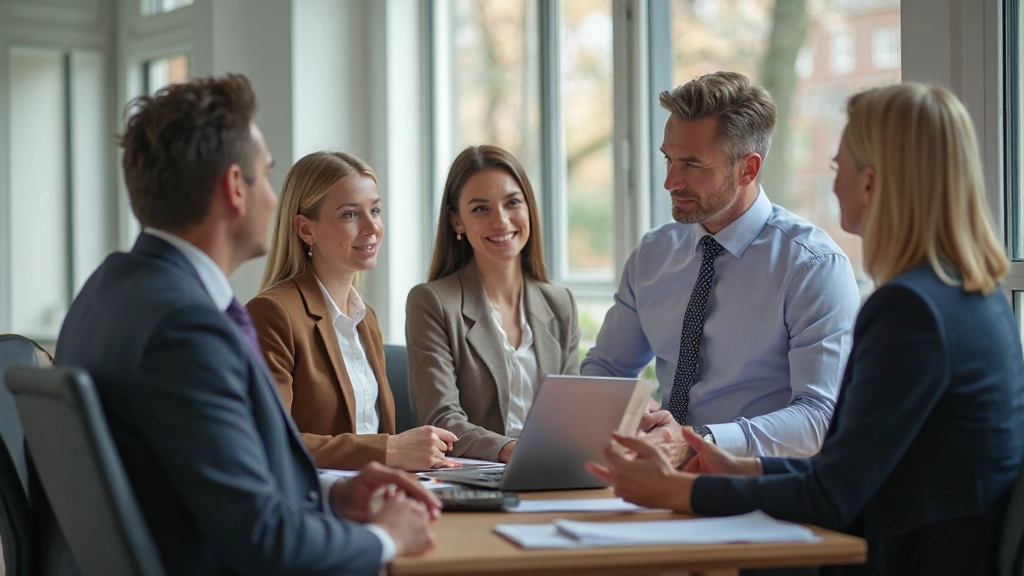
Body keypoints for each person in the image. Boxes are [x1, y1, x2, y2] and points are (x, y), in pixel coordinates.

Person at [589, 83, 1024, 575]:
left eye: (838, 169)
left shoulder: (910, 310)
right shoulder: (972, 296)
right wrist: (744, 467)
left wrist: (682, 489)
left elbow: (831, 492)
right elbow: (852, 467)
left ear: (870, 184)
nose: (832, 186)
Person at [55, 74, 440, 576]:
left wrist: (333, 493)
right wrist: (385, 537)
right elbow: (263, 543)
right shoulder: (186, 331)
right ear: (236, 188)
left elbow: (219, 481)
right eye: (267, 175)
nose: (275, 199)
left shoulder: (108, 289)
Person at [581, 71, 861, 463]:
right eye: (668, 159)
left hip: (758, 488)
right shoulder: (652, 255)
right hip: (653, 478)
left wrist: (699, 441)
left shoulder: (812, 267)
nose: (670, 182)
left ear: (748, 169)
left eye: (692, 165)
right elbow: (607, 371)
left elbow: (820, 418)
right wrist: (636, 412)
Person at [247, 151, 457, 471]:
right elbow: (270, 439)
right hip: (318, 496)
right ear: (305, 229)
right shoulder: (273, 314)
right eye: (350, 214)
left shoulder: (365, 318)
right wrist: (387, 449)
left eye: (375, 210)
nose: (372, 227)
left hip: (379, 489)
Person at [406, 145, 581, 462]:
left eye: (512, 203)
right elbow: (441, 418)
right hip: (475, 473)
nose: (501, 221)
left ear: (528, 208)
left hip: (552, 471)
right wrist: (515, 451)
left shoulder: (560, 304)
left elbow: (572, 414)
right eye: (480, 209)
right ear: (456, 221)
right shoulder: (432, 302)